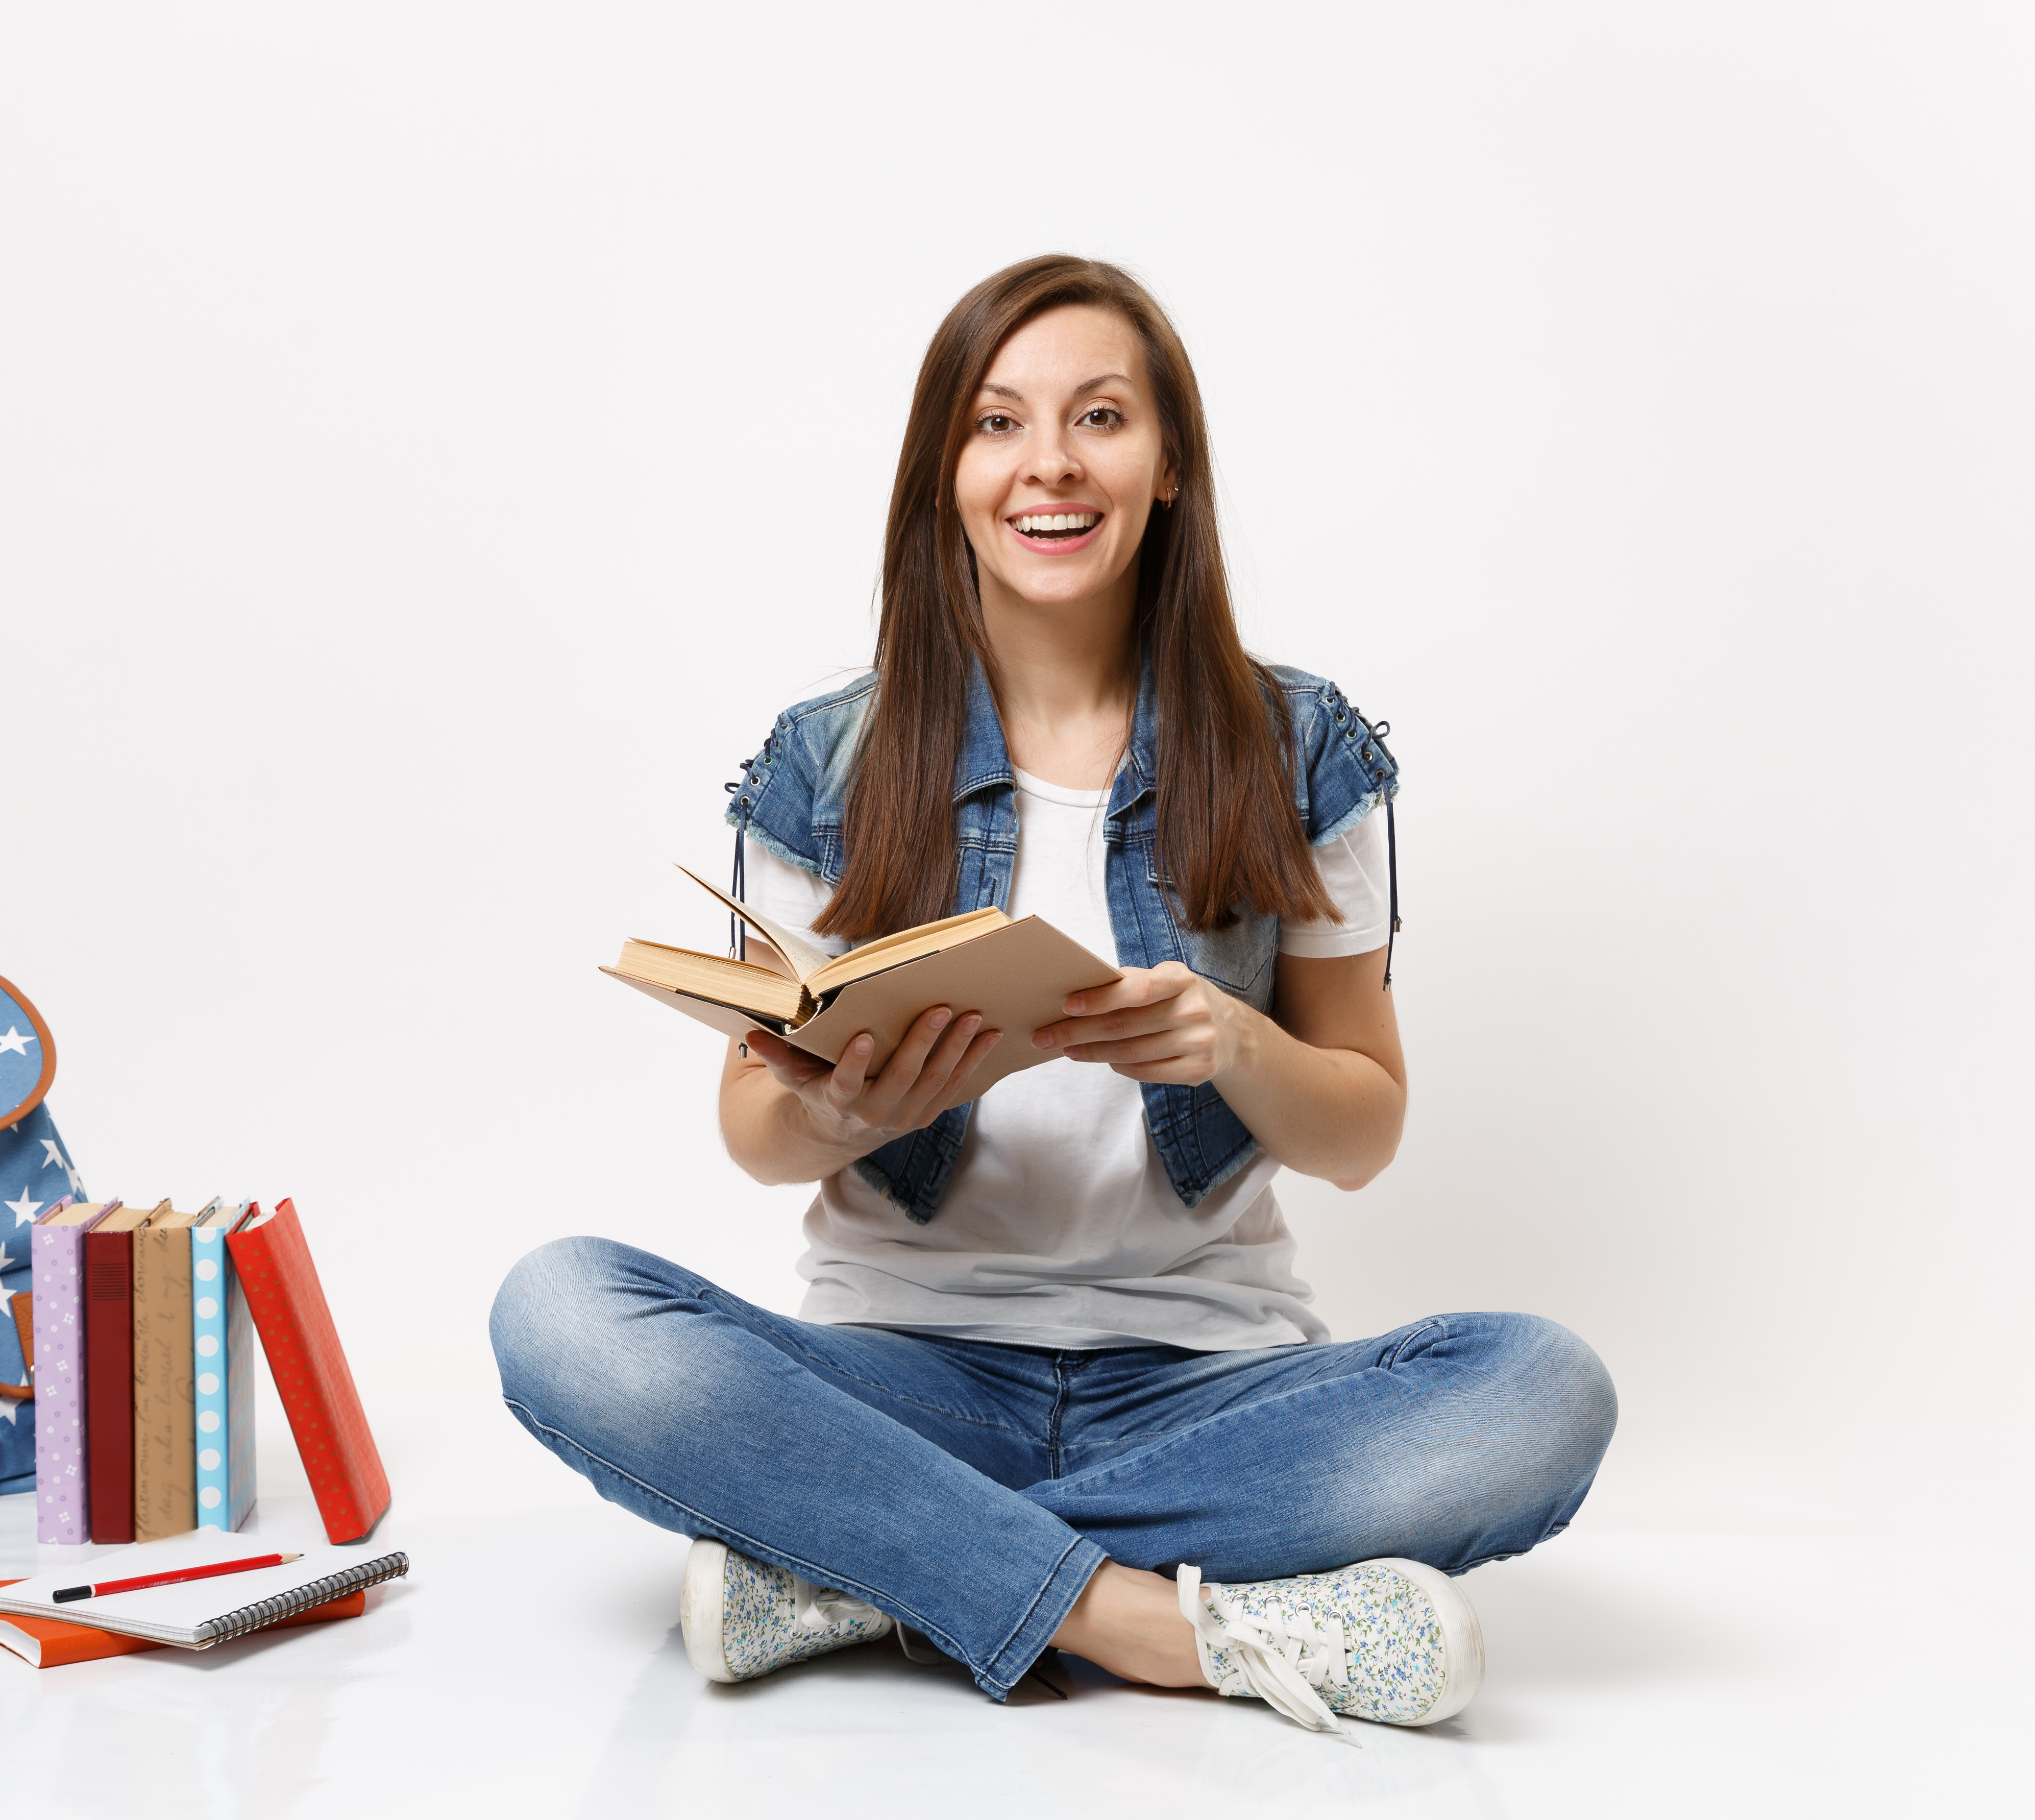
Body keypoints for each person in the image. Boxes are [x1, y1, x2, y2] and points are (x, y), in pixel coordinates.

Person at [490, 254, 1616, 1734]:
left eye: (1099, 418)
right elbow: (755, 1138)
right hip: (898, 1373)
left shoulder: (1297, 746)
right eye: (996, 422)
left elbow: (1359, 1133)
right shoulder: (824, 759)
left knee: (1539, 1393)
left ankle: (862, 1566)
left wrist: (1231, 1042)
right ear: (942, 472)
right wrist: (840, 1111)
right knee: (561, 1310)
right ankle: (1157, 1627)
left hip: (1207, 1387)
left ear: (1165, 470)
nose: (1049, 466)